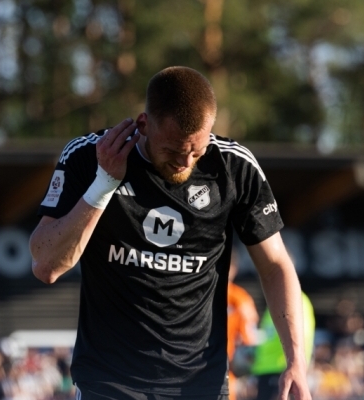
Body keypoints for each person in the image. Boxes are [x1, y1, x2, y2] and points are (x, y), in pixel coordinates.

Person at [30, 66, 311, 400]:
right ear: (144, 124)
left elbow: (276, 263)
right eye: (172, 150)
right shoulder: (90, 157)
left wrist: (295, 362)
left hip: (200, 386)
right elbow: (46, 265)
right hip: (110, 383)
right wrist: (103, 184)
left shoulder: (235, 167)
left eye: (196, 150)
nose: (184, 161)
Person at [250, 292, 315, 400]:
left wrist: (294, 363)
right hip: (267, 369)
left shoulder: (293, 298)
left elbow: (302, 335)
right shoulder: (277, 300)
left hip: (281, 368)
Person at [226, 251, 259, 400]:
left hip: (225, 367)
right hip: (223, 367)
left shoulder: (239, 299)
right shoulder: (240, 297)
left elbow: (249, 339)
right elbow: (249, 341)